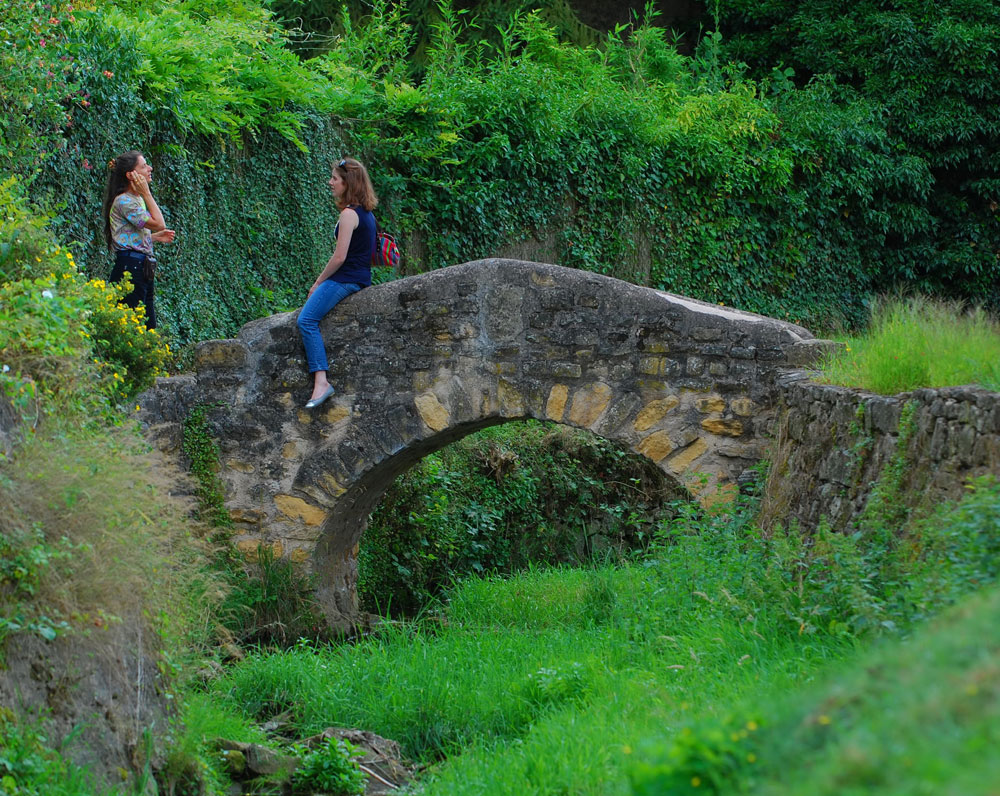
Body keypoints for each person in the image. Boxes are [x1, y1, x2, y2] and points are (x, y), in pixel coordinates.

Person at [297, 157, 377, 409]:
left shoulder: (348, 215)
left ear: (348, 183)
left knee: (306, 320)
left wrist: (318, 282)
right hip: (361, 278)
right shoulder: (367, 214)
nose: (330, 182)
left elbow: (340, 256)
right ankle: (320, 381)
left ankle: (321, 381)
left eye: (335, 178)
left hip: (346, 279)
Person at [102, 150, 175, 329]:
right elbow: (159, 223)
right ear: (130, 175)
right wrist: (147, 193)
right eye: (144, 166)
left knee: (148, 326)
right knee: (131, 325)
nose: (150, 168)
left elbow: (132, 233)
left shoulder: (134, 200)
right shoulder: (125, 202)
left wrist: (153, 238)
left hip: (141, 266)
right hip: (131, 268)